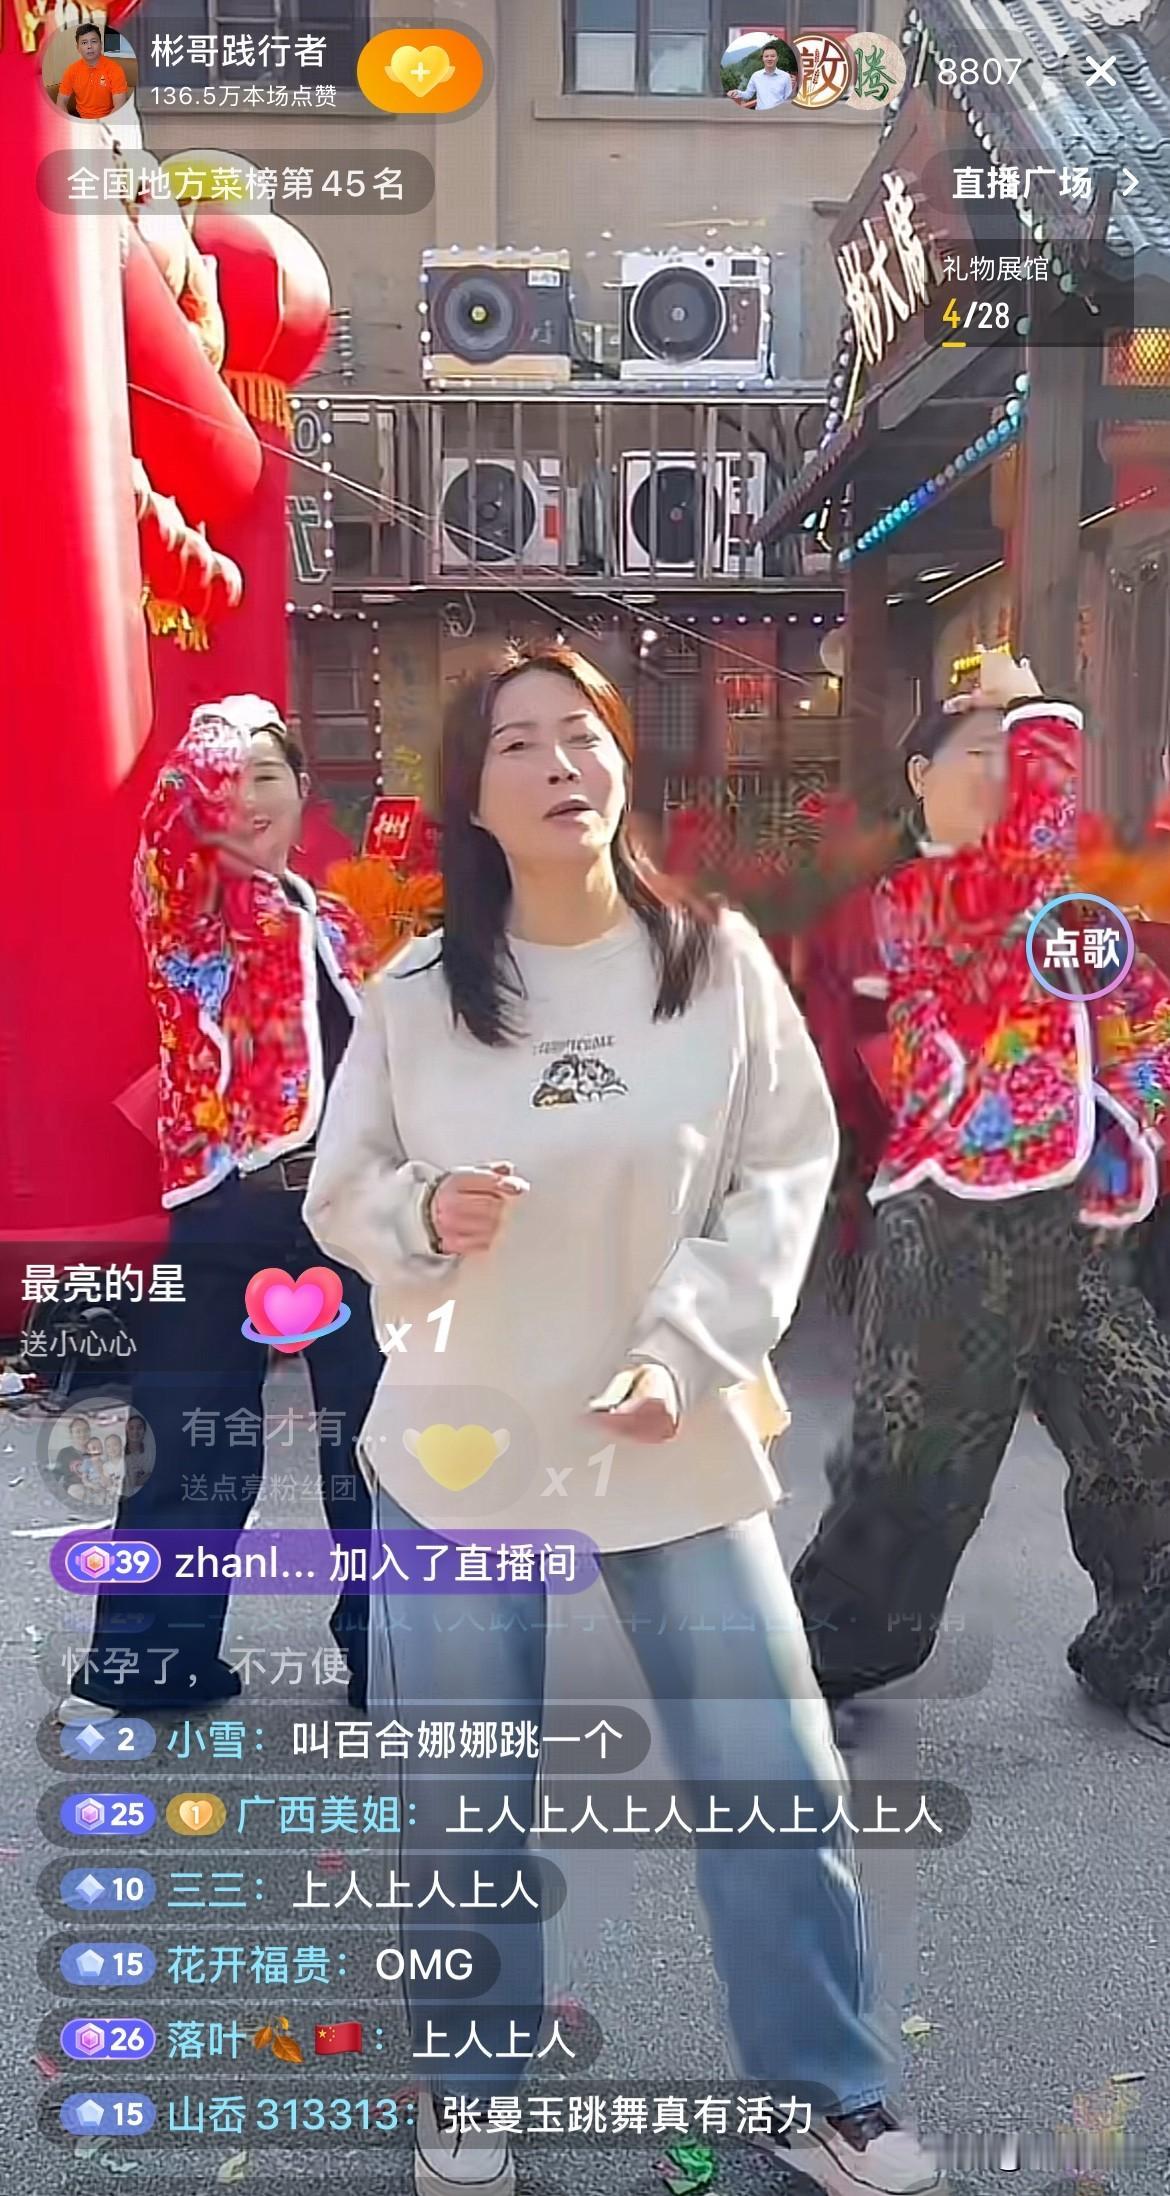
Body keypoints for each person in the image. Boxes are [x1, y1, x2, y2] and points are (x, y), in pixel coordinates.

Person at [305, 642, 945, 2196]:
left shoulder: (710, 963)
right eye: (517, 743)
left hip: (670, 1426)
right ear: (471, 795)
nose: (558, 764)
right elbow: (340, 1193)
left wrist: (686, 1347)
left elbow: (780, 1175)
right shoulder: (413, 997)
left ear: (617, 764)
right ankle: (471, 2084)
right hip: (463, 1438)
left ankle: (823, 2091)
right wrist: (421, 1214)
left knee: (773, 1777)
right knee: (462, 1793)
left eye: (579, 734)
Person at [791, 650, 1170, 1746]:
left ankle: (1143, 1651)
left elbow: (1141, 1020)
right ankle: (824, 1657)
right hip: (944, 1235)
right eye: (980, 754)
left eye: (1020, 758)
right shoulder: (888, 910)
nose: (1005, 777)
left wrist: (1129, 1134)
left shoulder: (1070, 912)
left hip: (1077, 1235)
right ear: (921, 777)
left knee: (1146, 1437)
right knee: (918, 1480)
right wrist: (1034, 715)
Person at [60, 696, 383, 1725]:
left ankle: (387, 1660)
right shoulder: (185, 906)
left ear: (304, 793)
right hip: (224, 1210)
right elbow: (172, 816)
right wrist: (234, 724)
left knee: (374, 1444)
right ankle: (149, 1662)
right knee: (188, 1444)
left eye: (267, 776)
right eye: (225, 779)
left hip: (351, 1213)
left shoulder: (342, 925)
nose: (244, 797)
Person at [56, 24, 130, 120]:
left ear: (101, 45)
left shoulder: (115, 69)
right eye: (84, 43)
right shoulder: (71, 70)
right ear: (78, 48)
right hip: (82, 120)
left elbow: (119, 107)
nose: (89, 46)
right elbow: (61, 102)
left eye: (94, 41)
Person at [727, 39, 798, 109]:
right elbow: (748, 95)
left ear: (777, 58)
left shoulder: (785, 76)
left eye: (772, 56)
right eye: (766, 56)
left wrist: (794, 88)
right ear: (763, 59)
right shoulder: (755, 76)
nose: (769, 59)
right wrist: (737, 92)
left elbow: (788, 99)